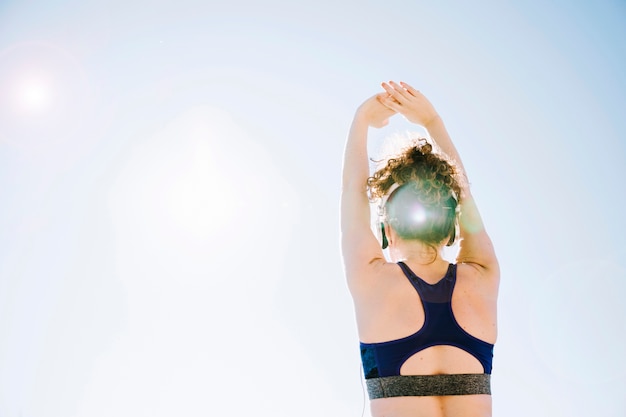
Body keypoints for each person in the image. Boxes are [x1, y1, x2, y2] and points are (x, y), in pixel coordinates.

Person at [341, 81, 499, 417]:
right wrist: (432, 122)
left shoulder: (371, 279)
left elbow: (352, 195)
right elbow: (465, 194)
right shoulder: (482, 277)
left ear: (387, 230)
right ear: (452, 229)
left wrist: (361, 119)